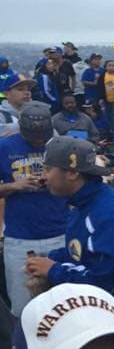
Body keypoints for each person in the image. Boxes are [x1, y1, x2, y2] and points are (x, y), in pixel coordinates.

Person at [25, 137, 114, 331]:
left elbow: (107, 282)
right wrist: (48, 260)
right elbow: (80, 251)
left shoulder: (109, 213)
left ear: (73, 173)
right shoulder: (82, 203)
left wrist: (53, 270)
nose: (43, 177)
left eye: (48, 169)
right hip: (94, 313)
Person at [0, 103, 67, 316]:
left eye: (42, 136)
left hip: (59, 233)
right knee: (22, 308)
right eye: (33, 137)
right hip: (20, 238)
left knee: (62, 304)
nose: (38, 141)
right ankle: (22, 348)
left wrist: (53, 182)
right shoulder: (6, 147)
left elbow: (78, 183)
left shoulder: (59, 145)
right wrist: (15, 186)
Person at [101, 57, 114, 129]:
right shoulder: (103, 75)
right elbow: (100, 87)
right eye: (109, 65)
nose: (111, 67)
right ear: (106, 67)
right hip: (106, 98)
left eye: (113, 66)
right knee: (107, 114)